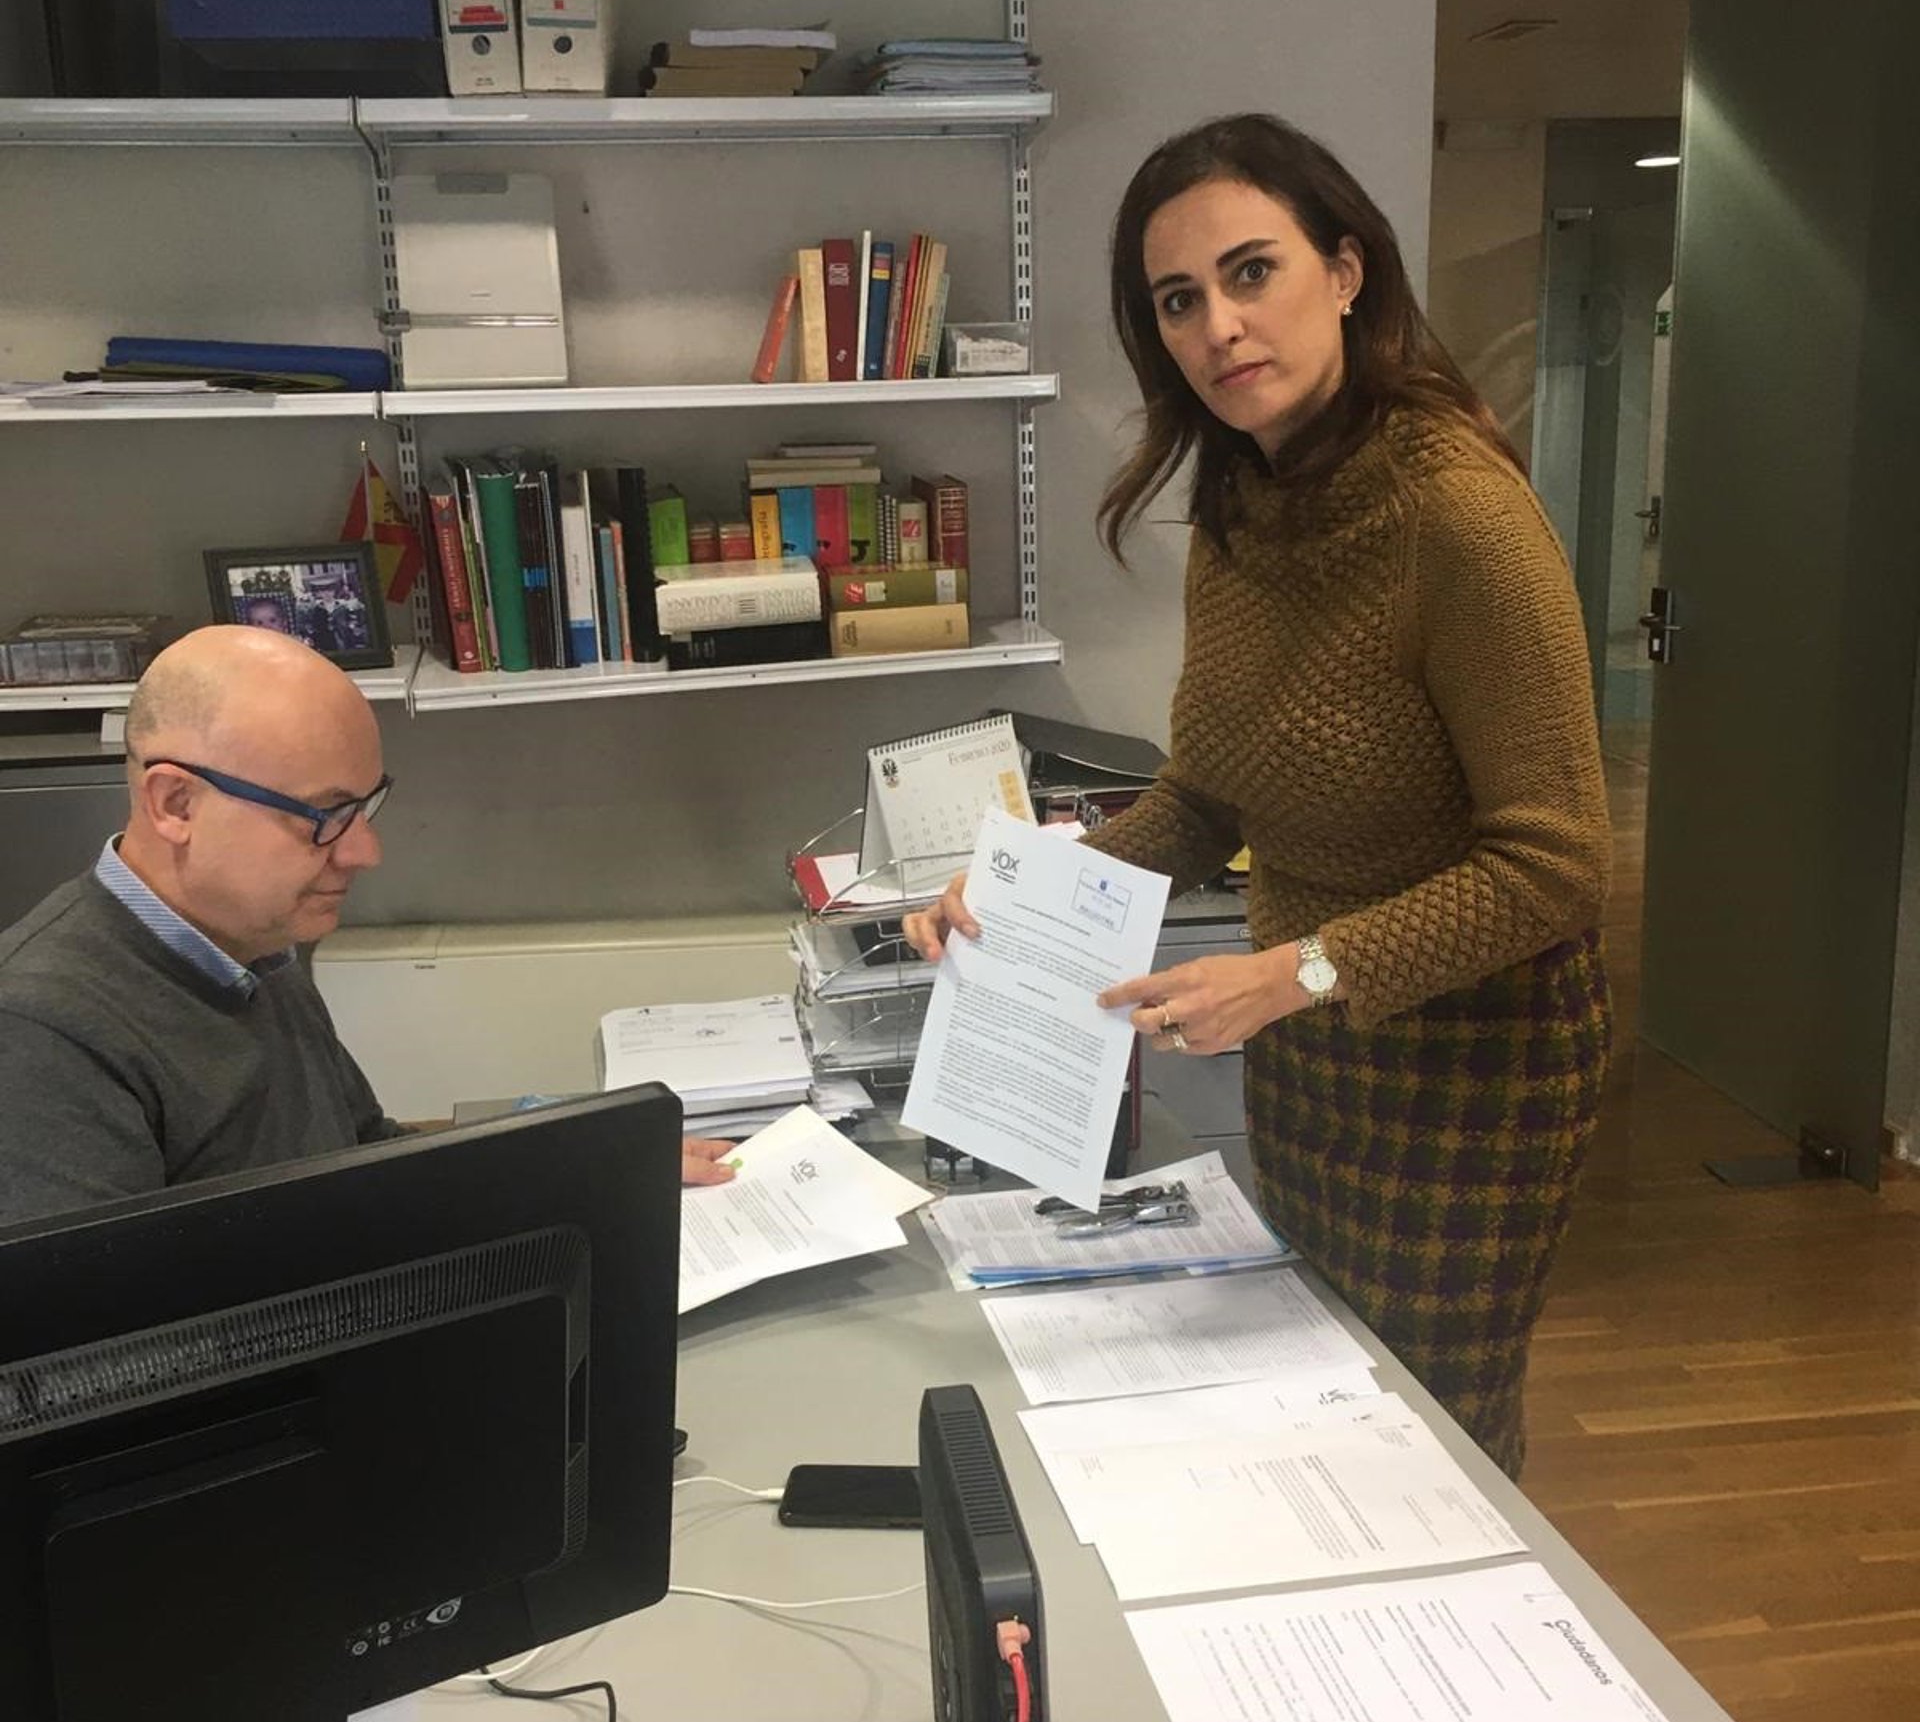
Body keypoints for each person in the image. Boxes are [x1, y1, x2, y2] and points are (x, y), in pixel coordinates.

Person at [906, 113, 1612, 1484]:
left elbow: (1557, 864)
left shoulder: (1458, 515)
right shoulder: (1243, 508)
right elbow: (1209, 799)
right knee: (1327, 1400)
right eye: (1179, 300)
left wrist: (1297, 970)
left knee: (1434, 1446)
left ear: (1344, 272)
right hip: (1311, 1053)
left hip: (1475, 1075)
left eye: (1251, 272)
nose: (1219, 325)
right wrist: (1019, 901)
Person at [0, 624, 737, 1231]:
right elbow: (92, 1354)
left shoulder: (255, 943)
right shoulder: (41, 1034)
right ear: (176, 804)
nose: (364, 852)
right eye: (324, 816)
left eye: (364, 808)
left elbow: (361, 1151)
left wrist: (579, 1161)